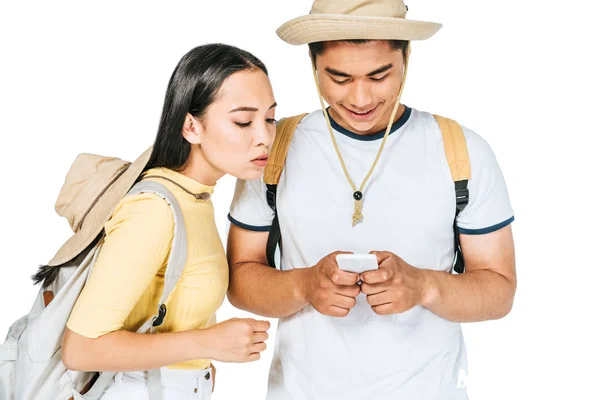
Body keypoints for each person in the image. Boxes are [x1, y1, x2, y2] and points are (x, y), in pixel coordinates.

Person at [227, 1, 516, 399]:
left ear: (406, 58)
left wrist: (424, 287)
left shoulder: (462, 150)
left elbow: (500, 292)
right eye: (339, 77)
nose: (360, 98)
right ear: (313, 65)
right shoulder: (273, 150)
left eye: (379, 76)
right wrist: (304, 286)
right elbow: (240, 279)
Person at [59, 43, 275, 399]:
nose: (264, 136)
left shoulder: (196, 197)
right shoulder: (155, 209)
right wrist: (208, 343)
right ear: (191, 126)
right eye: (243, 121)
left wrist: (201, 369)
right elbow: (81, 349)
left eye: (269, 118)